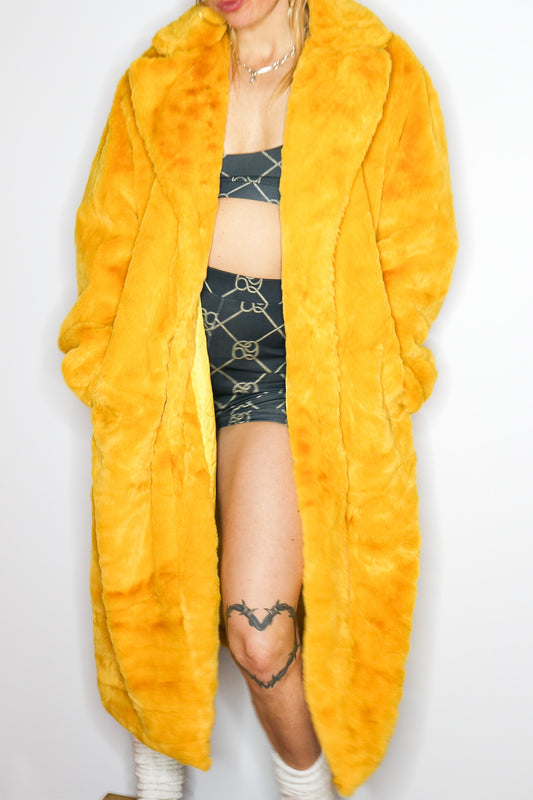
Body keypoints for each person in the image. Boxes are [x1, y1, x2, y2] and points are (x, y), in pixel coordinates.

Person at [58, 0, 458, 797]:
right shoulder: (156, 80)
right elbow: (108, 240)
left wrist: (384, 382)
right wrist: (104, 372)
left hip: (290, 386)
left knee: (258, 634)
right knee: (153, 614)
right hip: (161, 383)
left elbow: (416, 252)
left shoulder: (377, 72)